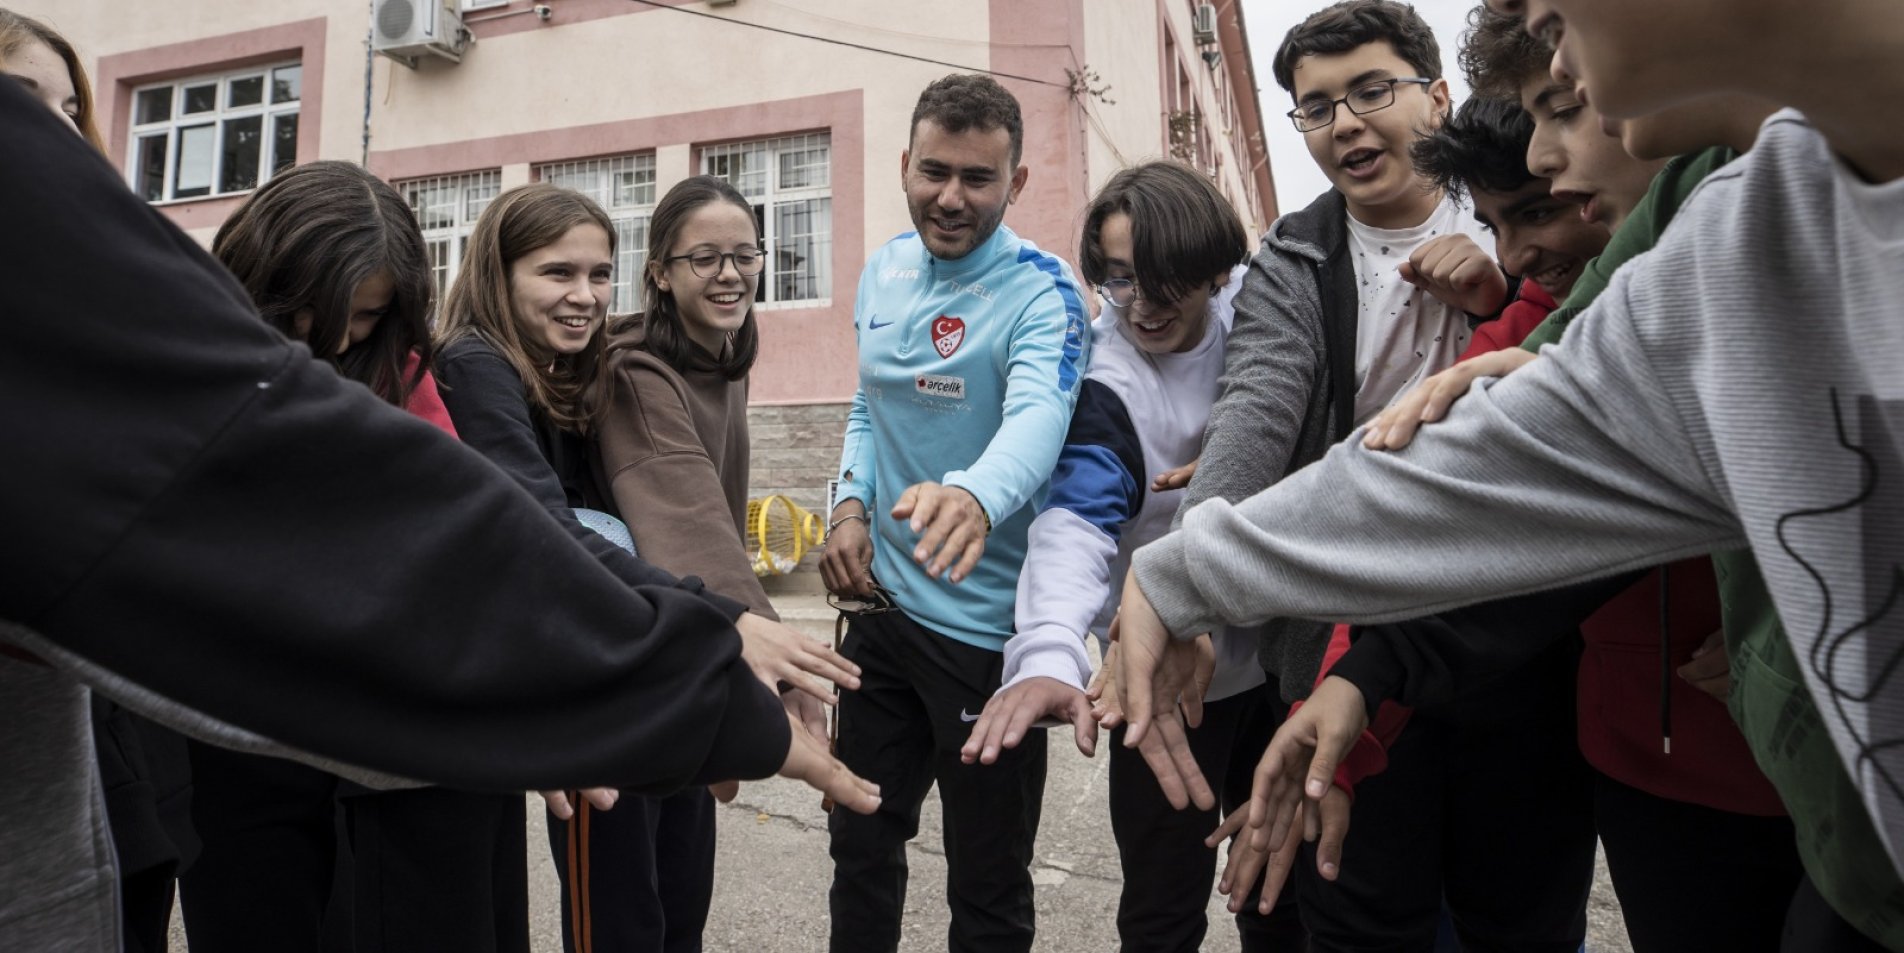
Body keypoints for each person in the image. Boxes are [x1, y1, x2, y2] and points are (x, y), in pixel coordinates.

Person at [0, 79, 877, 953]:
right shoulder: (439, 372)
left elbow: (509, 520)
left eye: (369, 318)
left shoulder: (448, 375)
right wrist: (687, 640)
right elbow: (511, 527)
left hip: (419, 760)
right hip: (258, 756)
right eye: (298, 314)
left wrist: (692, 636)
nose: (333, 341)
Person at [1114, 0, 1904, 947]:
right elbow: (1412, 450)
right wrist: (1204, 579)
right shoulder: (1303, 253)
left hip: (1545, 688)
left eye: (1562, 103)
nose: (1545, 160)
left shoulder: (1657, 220)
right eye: (1316, 106)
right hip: (1400, 653)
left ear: (1435, 98)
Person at [961, 160, 1304, 952]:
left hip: (1281, 660)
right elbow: (1074, 522)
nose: (1141, 306)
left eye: (1163, 284)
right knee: (1160, 905)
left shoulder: (1263, 313)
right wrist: (1047, 646)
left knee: (1280, 893)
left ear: (1217, 273)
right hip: (1158, 678)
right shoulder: (1110, 382)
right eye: (1117, 281)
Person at [818, 72, 1088, 953]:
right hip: (879, 620)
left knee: (987, 881)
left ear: (1016, 183)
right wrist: (848, 503)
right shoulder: (884, 270)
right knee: (859, 841)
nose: (951, 197)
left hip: (985, 642)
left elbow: (1038, 420)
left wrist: (973, 491)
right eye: (934, 171)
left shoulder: (1045, 292)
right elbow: (868, 406)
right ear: (903, 164)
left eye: (979, 178)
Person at [546, 174, 800, 953]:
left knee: (680, 909)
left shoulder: (723, 356)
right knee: (621, 924)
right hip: (618, 678)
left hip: (683, 660)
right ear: (659, 271)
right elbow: (681, 512)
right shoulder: (632, 367)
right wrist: (765, 650)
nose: (729, 273)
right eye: (704, 259)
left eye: (743, 255)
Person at [0, 14, 196, 953]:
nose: (58, 134)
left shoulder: (83, 321)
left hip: (62, 856)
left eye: (73, 109)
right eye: (19, 101)